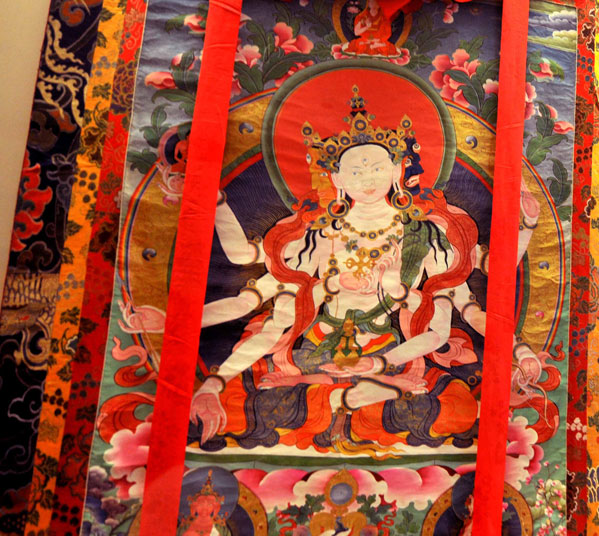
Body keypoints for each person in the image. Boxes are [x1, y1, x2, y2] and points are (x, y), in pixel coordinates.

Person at [123, 87, 554, 454]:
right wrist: (184, 325)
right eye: (355, 169)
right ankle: (349, 396)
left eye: (377, 167)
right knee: (256, 405)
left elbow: (479, 291)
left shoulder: (424, 234)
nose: (367, 177)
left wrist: (528, 226)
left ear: (397, 171)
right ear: (338, 181)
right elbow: (248, 283)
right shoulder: (317, 235)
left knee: (454, 409)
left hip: (394, 356)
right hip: (311, 354)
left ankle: (370, 393)